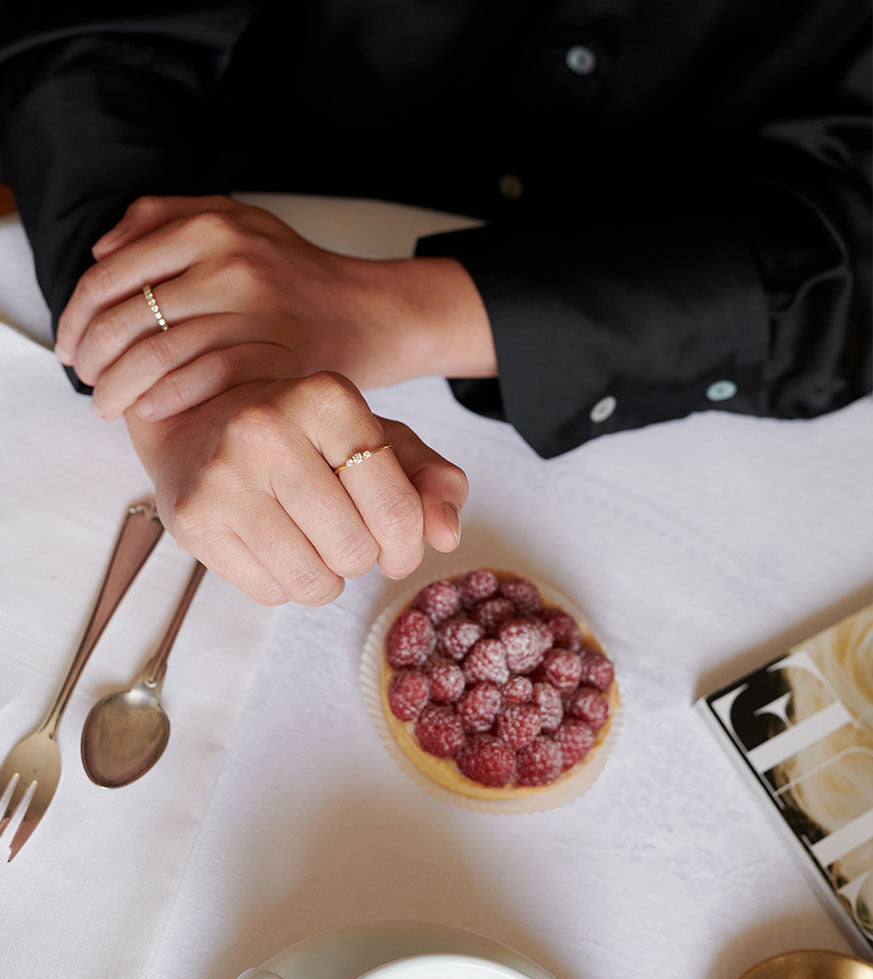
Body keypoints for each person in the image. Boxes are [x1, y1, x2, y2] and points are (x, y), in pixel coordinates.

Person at [0, 3, 870, 605]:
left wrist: (395, 311)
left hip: (686, 318)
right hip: (233, 207)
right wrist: (178, 357)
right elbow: (91, 33)